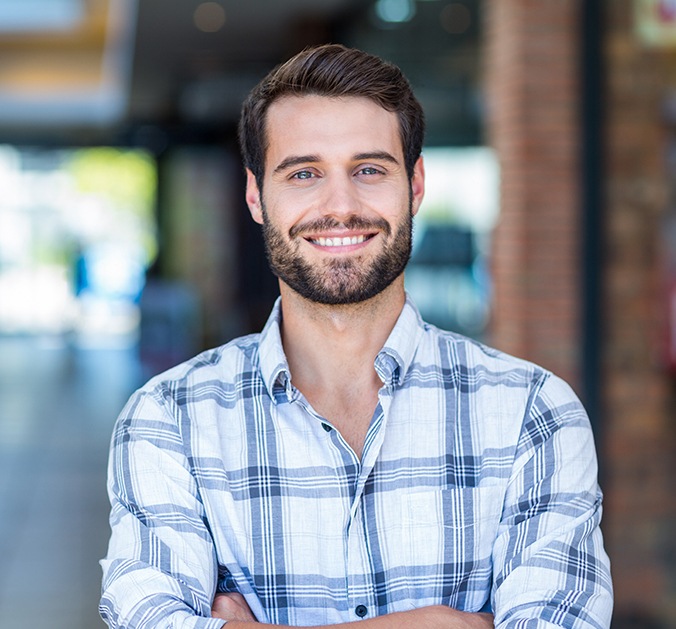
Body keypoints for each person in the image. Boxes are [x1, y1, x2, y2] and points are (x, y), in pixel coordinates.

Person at [99, 44, 613, 628]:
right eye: (304, 173)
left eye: (369, 170)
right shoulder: (169, 419)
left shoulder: (534, 413)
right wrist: (433, 625)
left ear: (415, 185)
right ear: (255, 196)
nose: (340, 207)